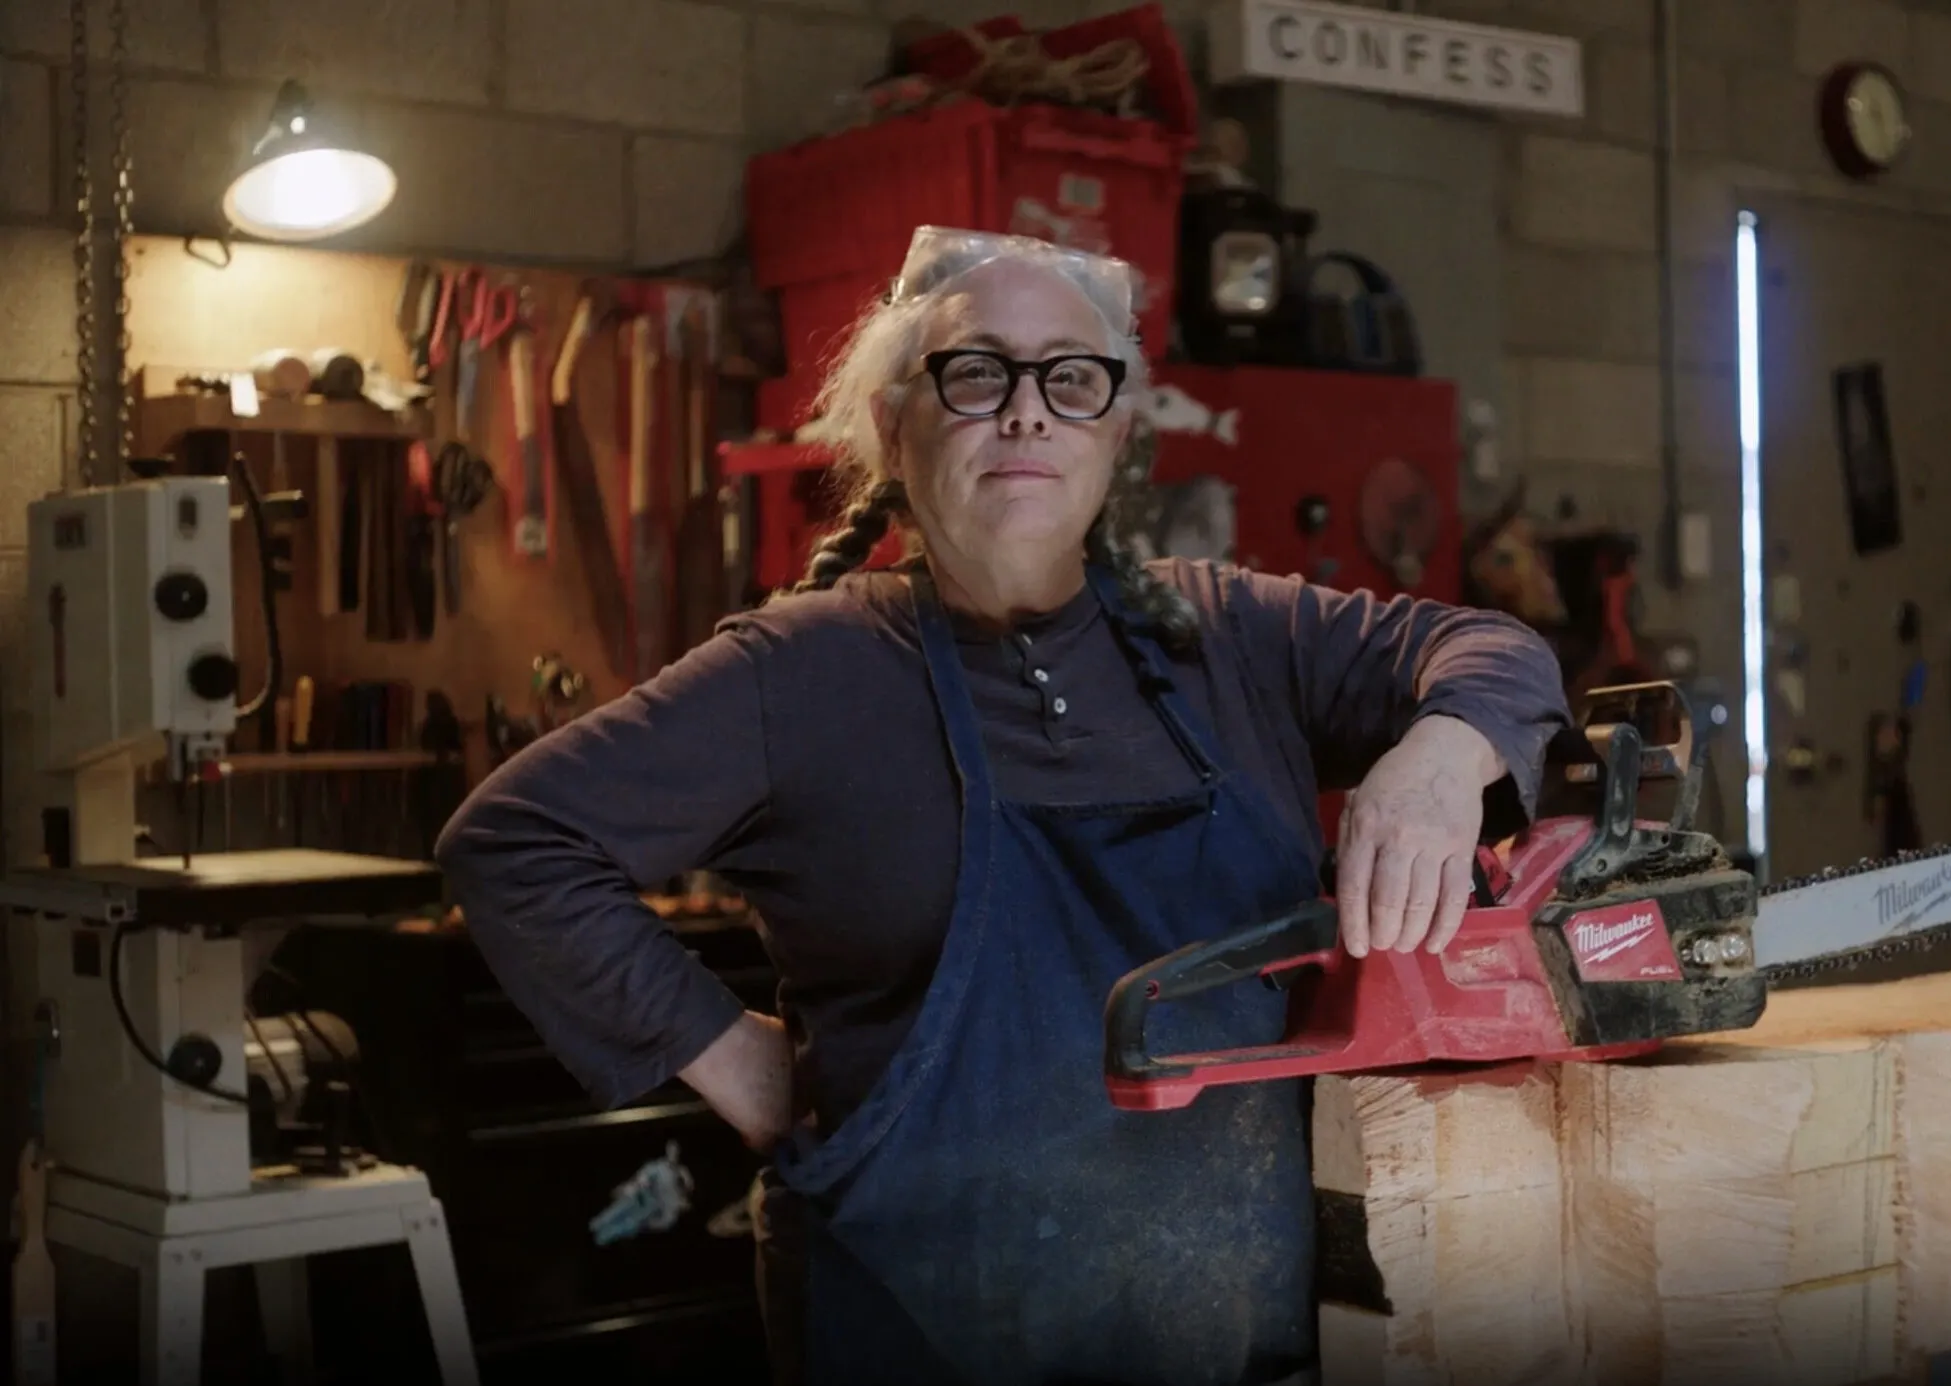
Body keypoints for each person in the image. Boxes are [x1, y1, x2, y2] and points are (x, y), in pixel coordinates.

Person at [434, 226, 1571, 1386]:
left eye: (1071, 380)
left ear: (1116, 429)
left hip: (1242, 1339)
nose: (1027, 413)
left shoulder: (1237, 635)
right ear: (891, 425)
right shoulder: (800, 673)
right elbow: (516, 843)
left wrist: (1439, 757)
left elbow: (1494, 650)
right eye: (976, 374)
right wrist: (738, 1063)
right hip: (916, 1336)